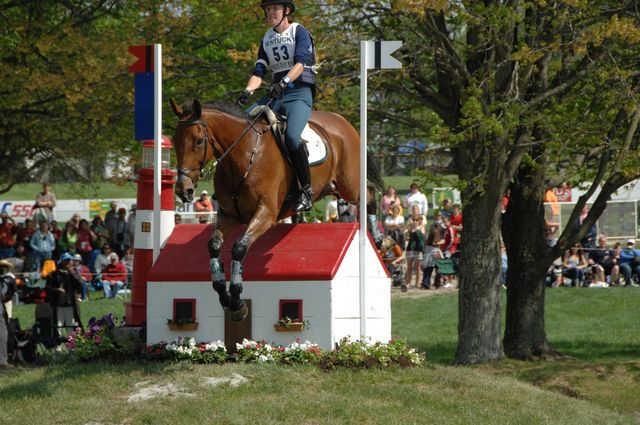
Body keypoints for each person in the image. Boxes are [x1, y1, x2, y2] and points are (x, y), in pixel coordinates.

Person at [237, 0, 317, 214]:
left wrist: (284, 83)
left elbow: (300, 65)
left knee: (291, 136)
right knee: (243, 127)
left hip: (299, 92)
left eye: (275, 9)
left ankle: (306, 191)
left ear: (286, 11)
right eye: (268, 9)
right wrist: (247, 92)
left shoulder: (299, 31)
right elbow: (259, 72)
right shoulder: (267, 38)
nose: (270, 12)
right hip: (276, 94)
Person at [45, 253, 83, 336]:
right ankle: (57, 344)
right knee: (58, 325)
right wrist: (56, 289)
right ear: (61, 262)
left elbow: (80, 285)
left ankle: (71, 345)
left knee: (71, 325)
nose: (68, 262)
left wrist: (72, 273)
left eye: (69, 260)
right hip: (58, 304)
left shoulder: (75, 272)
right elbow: (47, 288)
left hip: (70, 303)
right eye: (66, 260)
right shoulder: (53, 274)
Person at [0, 259, 17, 370]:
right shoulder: (7, 280)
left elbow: (9, 294)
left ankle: (3, 359)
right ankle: (2, 360)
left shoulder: (8, 279)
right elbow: (6, 295)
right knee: (2, 333)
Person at [404, 205, 426, 288]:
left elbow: (422, 236)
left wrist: (416, 229)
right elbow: (404, 232)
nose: (415, 221)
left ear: (420, 220)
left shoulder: (421, 227)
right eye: (414, 220)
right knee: (409, 266)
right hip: (410, 248)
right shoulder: (411, 226)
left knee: (417, 267)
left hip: (418, 248)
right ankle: (408, 283)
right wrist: (408, 229)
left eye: (417, 220)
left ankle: (417, 283)